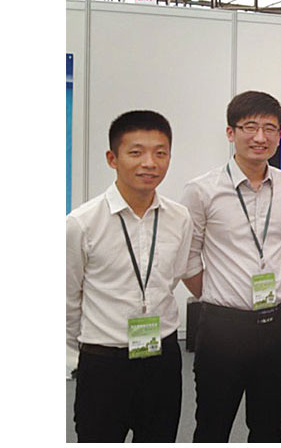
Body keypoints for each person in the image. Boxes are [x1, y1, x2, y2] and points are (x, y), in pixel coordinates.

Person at [66, 110, 192, 442]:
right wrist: (74, 358)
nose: (150, 163)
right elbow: (67, 297)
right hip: (104, 361)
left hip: (162, 358)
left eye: (160, 153)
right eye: (136, 152)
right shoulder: (81, 223)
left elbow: (173, 276)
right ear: (113, 158)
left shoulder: (179, 218)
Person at [180, 91, 281, 442]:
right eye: (250, 127)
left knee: (269, 428)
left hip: (276, 326)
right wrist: (218, 296)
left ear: (279, 135)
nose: (260, 137)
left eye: (270, 128)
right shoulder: (202, 190)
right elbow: (188, 258)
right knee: (212, 427)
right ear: (231, 132)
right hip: (222, 329)